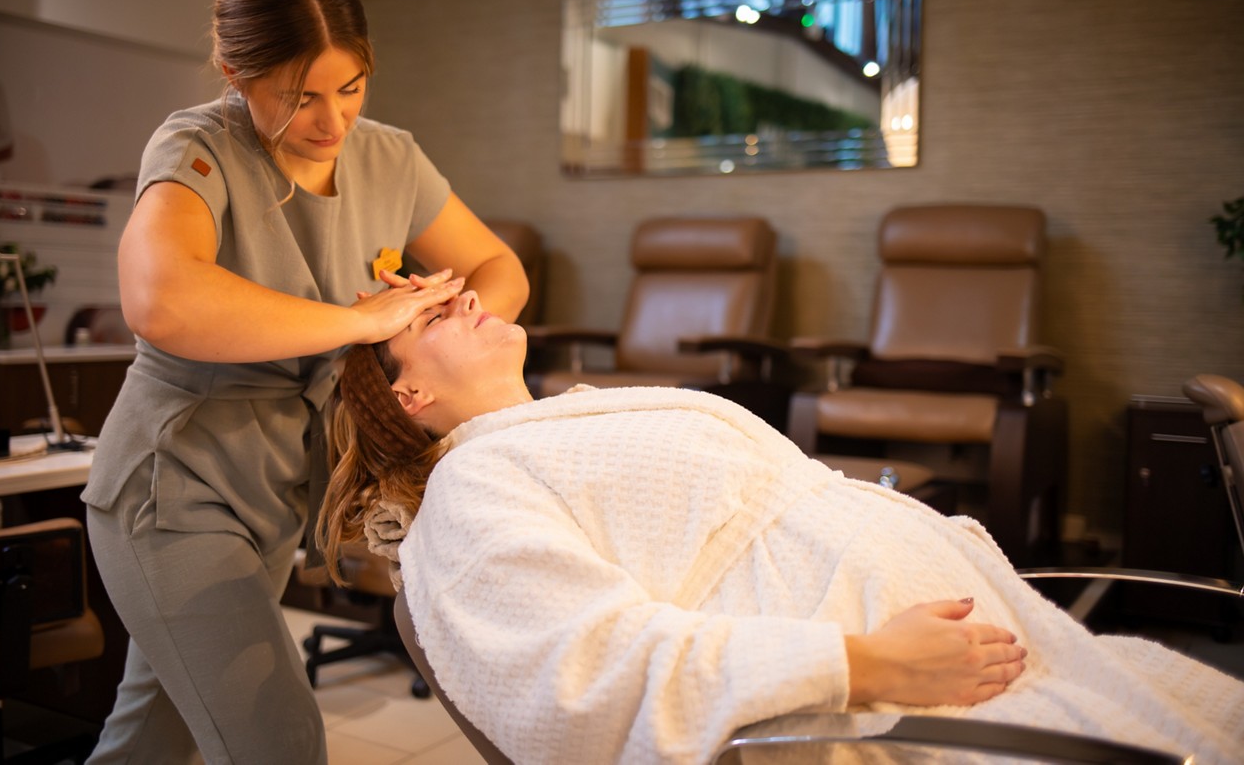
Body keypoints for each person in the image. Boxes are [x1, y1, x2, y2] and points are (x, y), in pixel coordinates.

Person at [319, 290, 1244, 765]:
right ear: (411, 395)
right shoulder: (472, 487)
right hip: (885, 707)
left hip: (996, 653)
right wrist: (866, 664)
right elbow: (584, 670)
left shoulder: (565, 419)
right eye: (429, 315)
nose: (464, 297)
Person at [80, 0, 527, 765]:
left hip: (280, 494)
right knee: (278, 739)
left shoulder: (390, 156)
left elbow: (501, 269)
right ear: (235, 73)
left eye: (351, 88)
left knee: (150, 737)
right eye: (298, 97)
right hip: (174, 489)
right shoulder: (197, 147)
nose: (332, 122)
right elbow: (161, 299)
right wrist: (359, 323)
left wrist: (436, 333)